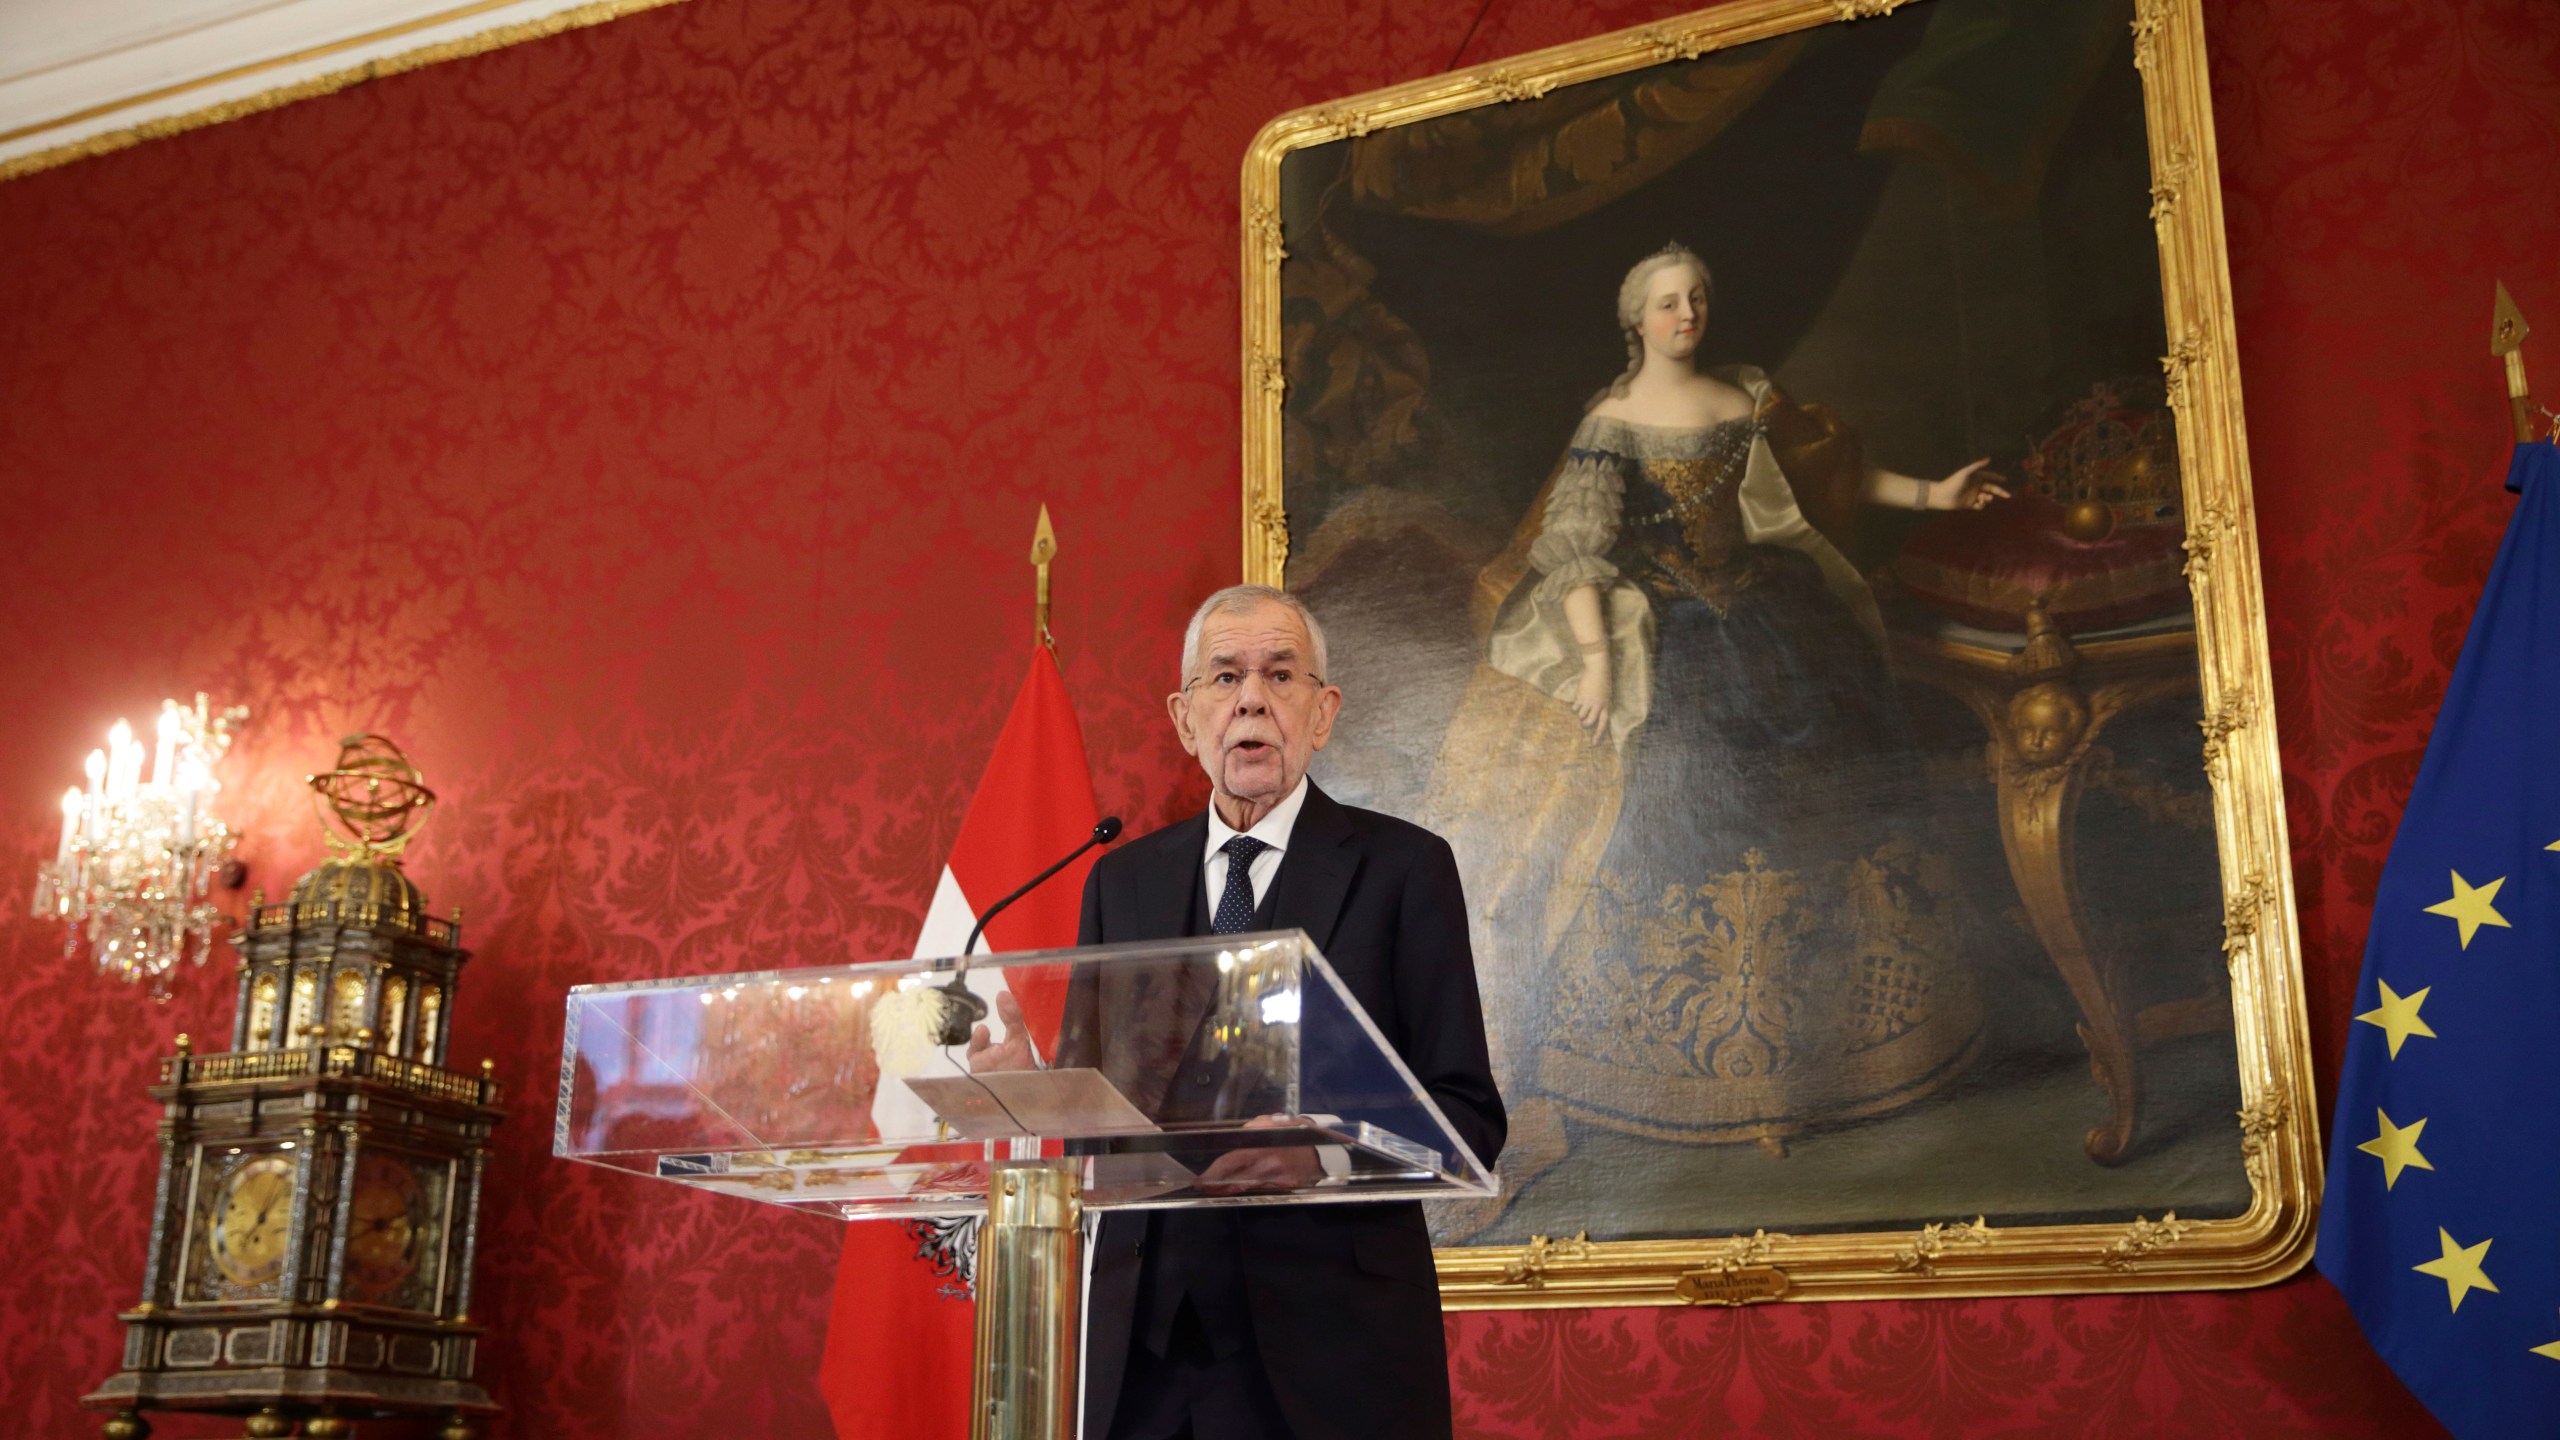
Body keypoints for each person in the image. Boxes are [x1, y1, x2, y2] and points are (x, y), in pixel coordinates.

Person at [1430, 241, 2001, 1170]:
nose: (1685, 314)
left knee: (1831, 783)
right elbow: (1574, 548)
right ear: (1636, 320)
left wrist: (1935, 493)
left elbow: (1827, 490)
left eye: (1696, 298)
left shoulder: (1744, 398)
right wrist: (1598, 663)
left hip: (1773, 608)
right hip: (1667, 625)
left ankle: (1836, 1052)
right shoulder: (1613, 420)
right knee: (1693, 777)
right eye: (1665, 303)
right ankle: (1689, 1062)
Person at [972, 583, 1504, 1440]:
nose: (1251, 696)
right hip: (1140, 1355)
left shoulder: (1405, 869)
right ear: (1187, 721)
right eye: (1224, 677)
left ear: (1321, 712)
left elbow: (1470, 1119)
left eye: (1279, 674)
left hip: (1330, 1357)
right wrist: (1034, 1091)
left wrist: (1324, 1158)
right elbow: (1098, 1123)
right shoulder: (1122, 879)